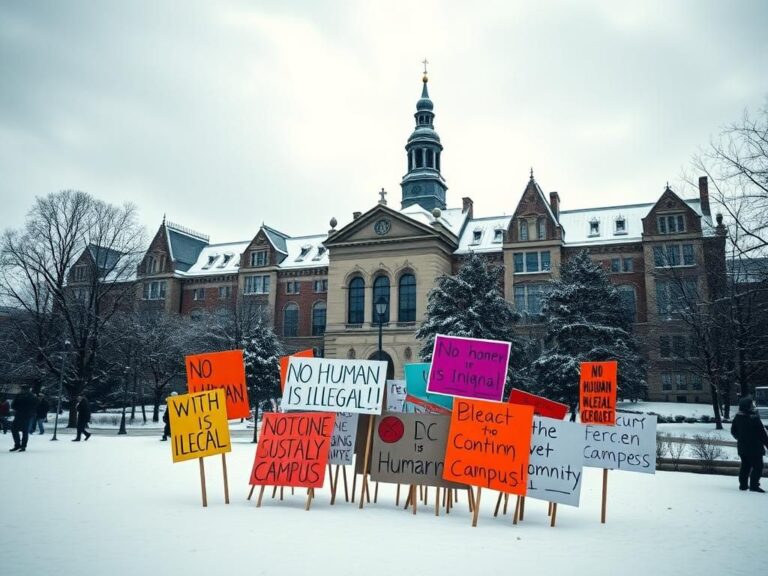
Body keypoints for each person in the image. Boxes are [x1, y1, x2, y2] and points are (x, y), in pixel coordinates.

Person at [730, 395, 768, 493]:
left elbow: (733, 431)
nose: (753, 406)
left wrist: (741, 438)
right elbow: (762, 434)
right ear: (748, 406)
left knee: (745, 466)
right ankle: (754, 486)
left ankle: (743, 485)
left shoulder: (738, 417)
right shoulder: (753, 417)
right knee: (758, 467)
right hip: (755, 448)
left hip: (742, 447)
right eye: (752, 404)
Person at [9, 386, 37, 452]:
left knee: (25, 431)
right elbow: (13, 405)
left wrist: (30, 411)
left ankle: (23, 446)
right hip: (19, 415)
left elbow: (36, 405)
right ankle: (17, 444)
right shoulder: (19, 395)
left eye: (24, 389)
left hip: (26, 416)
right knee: (14, 429)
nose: (23, 390)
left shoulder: (31, 396)